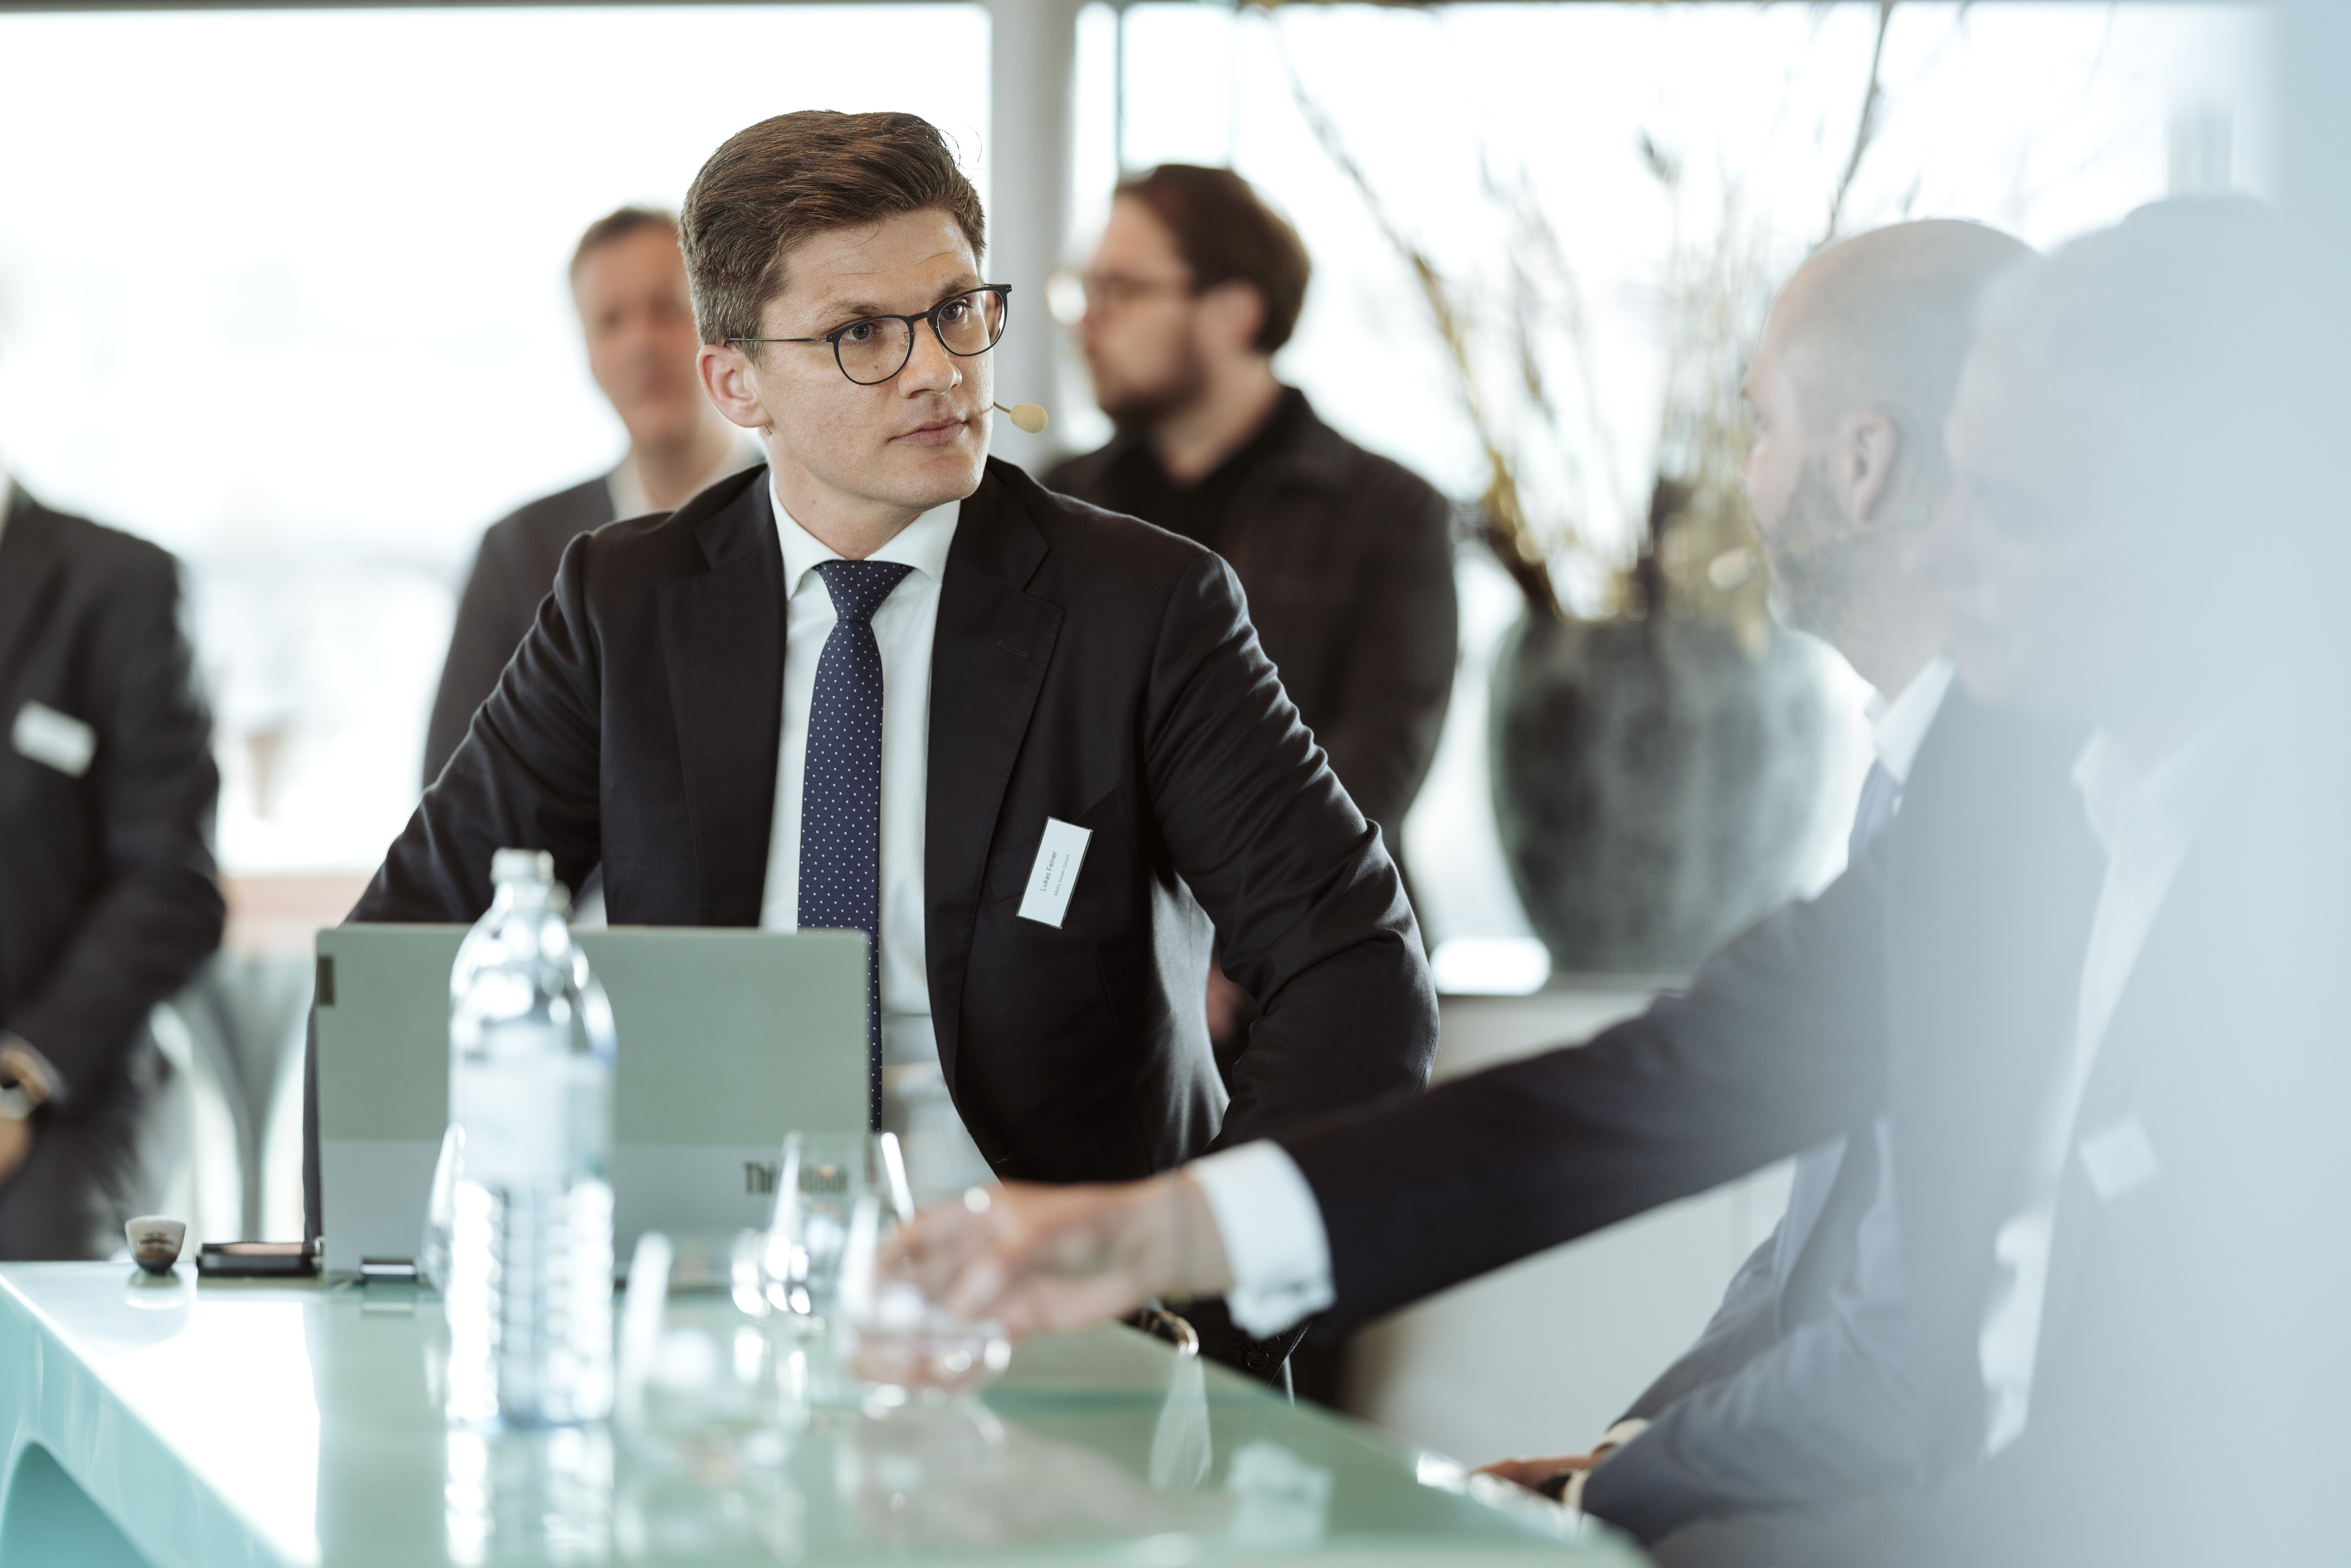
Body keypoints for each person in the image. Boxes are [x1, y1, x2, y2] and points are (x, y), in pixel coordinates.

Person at [890, 200, 2335, 1564]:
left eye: (2012, 510)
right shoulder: (1996, 800)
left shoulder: (2286, 887)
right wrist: (1165, 1226)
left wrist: (1610, 1487)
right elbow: (1671, 1085)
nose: (1946, 552)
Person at [310, 110, 1436, 1389]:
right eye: (862, 334)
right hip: (704, 1336)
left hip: (1067, 1338)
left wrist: (1194, 1302)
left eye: (959, 310)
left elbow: (1356, 965)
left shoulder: (1145, 606)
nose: (939, 371)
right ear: (736, 382)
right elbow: (408, 953)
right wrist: (391, 1318)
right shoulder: (622, 606)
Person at [1481, 218, 2032, 1536]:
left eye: (1761, 423)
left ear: (1862, 460)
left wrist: (1610, 1488)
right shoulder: (1905, 775)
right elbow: (1808, 1249)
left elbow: (1899, 1347)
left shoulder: (2016, 817)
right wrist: (1617, 1446)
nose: (1747, 470)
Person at [1046, 165, 1456, 1054]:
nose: (1088, 317)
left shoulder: (1392, 511)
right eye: (1085, 287)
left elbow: (1383, 752)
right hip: (1092, 979)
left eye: (1121, 289)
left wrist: (1230, 944)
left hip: (1312, 970)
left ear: (1235, 311)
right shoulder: (1053, 507)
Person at [424, 206, 762, 785]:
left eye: (667, 309)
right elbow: (453, 795)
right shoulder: (519, 552)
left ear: (726, 330)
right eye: (610, 321)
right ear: (588, 354)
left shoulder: (812, 518)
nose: (640, 344)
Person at [0, 466, 224, 1259]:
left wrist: (17, 1083)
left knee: (40, 1278)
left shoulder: (118, 587)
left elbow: (173, 885)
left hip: (59, 1080)